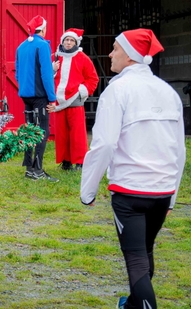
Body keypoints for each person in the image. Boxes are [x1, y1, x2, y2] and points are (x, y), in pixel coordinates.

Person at [80, 29, 185, 309]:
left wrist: (87, 192)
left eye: (115, 48)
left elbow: (104, 144)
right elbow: (180, 149)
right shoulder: (168, 91)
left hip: (130, 191)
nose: (110, 53)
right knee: (144, 251)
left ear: (129, 56)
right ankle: (131, 305)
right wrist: (172, 196)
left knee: (136, 259)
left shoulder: (117, 89)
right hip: (162, 190)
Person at [46, 28, 99, 171]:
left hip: (75, 99)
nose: (68, 43)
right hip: (58, 101)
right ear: (62, 42)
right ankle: (66, 161)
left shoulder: (83, 58)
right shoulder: (55, 57)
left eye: (71, 40)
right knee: (62, 133)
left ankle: (80, 162)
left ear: (76, 42)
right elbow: (44, 76)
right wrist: (52, 69)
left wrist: (83, 90)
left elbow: (93, 79)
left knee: (77, 133)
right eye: (66, 40)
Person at [15, 15, 58, 182]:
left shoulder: (21, 47)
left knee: (29, 131)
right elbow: (47, 75)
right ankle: (38, 170)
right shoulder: (42, 46)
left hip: (26, 96)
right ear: (44, 29)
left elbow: (18, 73)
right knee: (42, 131)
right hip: (40, 96)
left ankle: (29, 169)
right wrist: (52, 98)